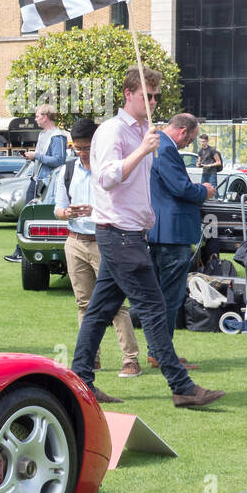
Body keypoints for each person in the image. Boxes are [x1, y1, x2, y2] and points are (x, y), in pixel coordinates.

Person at [69, 67, 222, 408]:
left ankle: (81, 381)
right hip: (119, 234)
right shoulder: (114, 131)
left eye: (155, 97)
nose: (153, 102)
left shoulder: (141, 131)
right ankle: (181, 386)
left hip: (127, 233)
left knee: (99, 311)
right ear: (128, 94)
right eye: (146, 96)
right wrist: (141, 150)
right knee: (153, 307)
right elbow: (106, 178)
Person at [52, 117, 142, 380]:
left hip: (105, 240)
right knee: (84, 304)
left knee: (115, 304)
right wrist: (66, 212)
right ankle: (91, 357)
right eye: (77, 148)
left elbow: (124, 205)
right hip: (75, 241)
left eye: (86, 147)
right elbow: (58, 208)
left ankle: (130, 360)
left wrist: (95, 210)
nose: (82, 153)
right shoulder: (67, 171)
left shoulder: (111, 169)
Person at [149, 113, 214, 370]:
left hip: (163, 231)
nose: (191, 143)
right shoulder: (165, 149)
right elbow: (181, 188)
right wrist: (204, 191)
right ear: (183, 130)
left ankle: (159, 351)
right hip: (171, 234)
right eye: (192, 138)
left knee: (162, 296)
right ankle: (163, 354)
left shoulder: (159, 146)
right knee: (170, 297)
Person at [6, 103, 68, 262]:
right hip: (37, 179)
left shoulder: (57, 136)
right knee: (26, 216)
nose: (35, 119)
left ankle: (24, 252)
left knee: (37, 218)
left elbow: (59, 160)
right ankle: (21, 251)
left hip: (47, 183)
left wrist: (36, 156)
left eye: (38, 115)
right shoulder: (43, 135)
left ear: (46, 117)